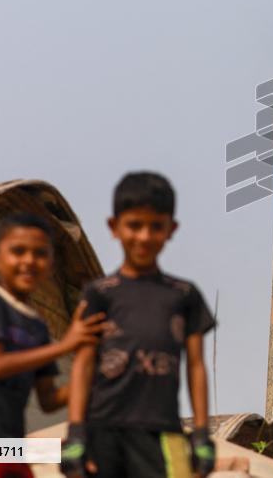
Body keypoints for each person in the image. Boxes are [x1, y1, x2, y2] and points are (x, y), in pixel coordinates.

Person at [62, 172, 217, 478]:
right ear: (114, 227)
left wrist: (201, 433)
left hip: (162, 432)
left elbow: (196, 365)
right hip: (103, 431)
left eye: (156, 226)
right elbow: (83, 363)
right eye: (134, 225)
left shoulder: (185, 295)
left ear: (171, 229)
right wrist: (76, 432)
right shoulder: (99, 294)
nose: (144, 237)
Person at [0, 212, 106, 478]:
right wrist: (67, 344)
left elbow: (49, 399)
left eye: (40, 254)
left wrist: (94, 377)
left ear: (50, 266)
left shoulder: (37, 327)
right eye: (18, 251)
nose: (29, 261)